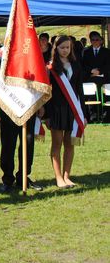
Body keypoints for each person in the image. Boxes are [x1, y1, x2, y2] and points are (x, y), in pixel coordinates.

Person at [0, 48, 43, 193]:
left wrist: (40, 103)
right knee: (9, 143)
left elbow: (37, 76)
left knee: (28, 142)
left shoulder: (29, 51)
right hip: (9, 104)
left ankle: (24, 177)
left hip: (28, 103)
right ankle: (7, 179)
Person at [45, 35, 86, 188]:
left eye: (68, 47)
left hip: (73, 110)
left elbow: (79, 90)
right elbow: (47, 93)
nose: (65, 50)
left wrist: (84, 114)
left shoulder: (76, 65)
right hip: (56, 110)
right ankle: (58, 178)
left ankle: (67, 176)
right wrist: (47, 115)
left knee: (70, 144)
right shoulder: (50, 67)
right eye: (62, 48)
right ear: (56, 49)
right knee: (57, 144)